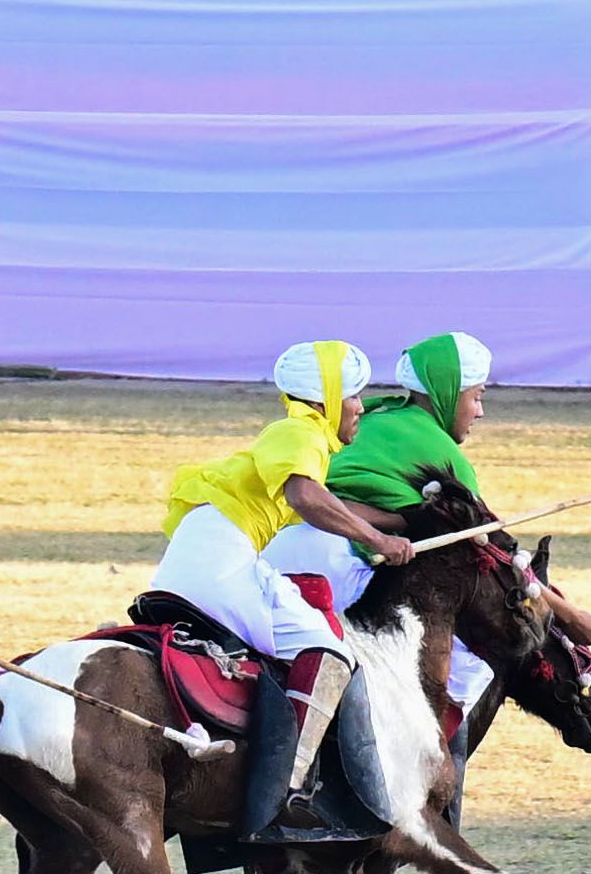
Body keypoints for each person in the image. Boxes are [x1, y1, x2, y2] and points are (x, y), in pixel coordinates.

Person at [266, 331, 591, 716]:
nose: (480, 412)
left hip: (278, 548)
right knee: (472, 663)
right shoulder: (445, 457)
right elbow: (495, 557)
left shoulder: (375, 417)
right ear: (448, 394)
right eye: (476, 397)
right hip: (337, 563)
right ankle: (428, 753)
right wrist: (570, 615)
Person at [154, 341, 415, 818]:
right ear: (325, 399)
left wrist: (407, 522)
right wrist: (377, 540)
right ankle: (287, 785)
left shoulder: (300, 442)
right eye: (353, 395)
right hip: (220, 554)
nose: (360, 407)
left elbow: (327, 503)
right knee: (330, 651)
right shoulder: (301, 430)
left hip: (200, 551)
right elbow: (306, 498)